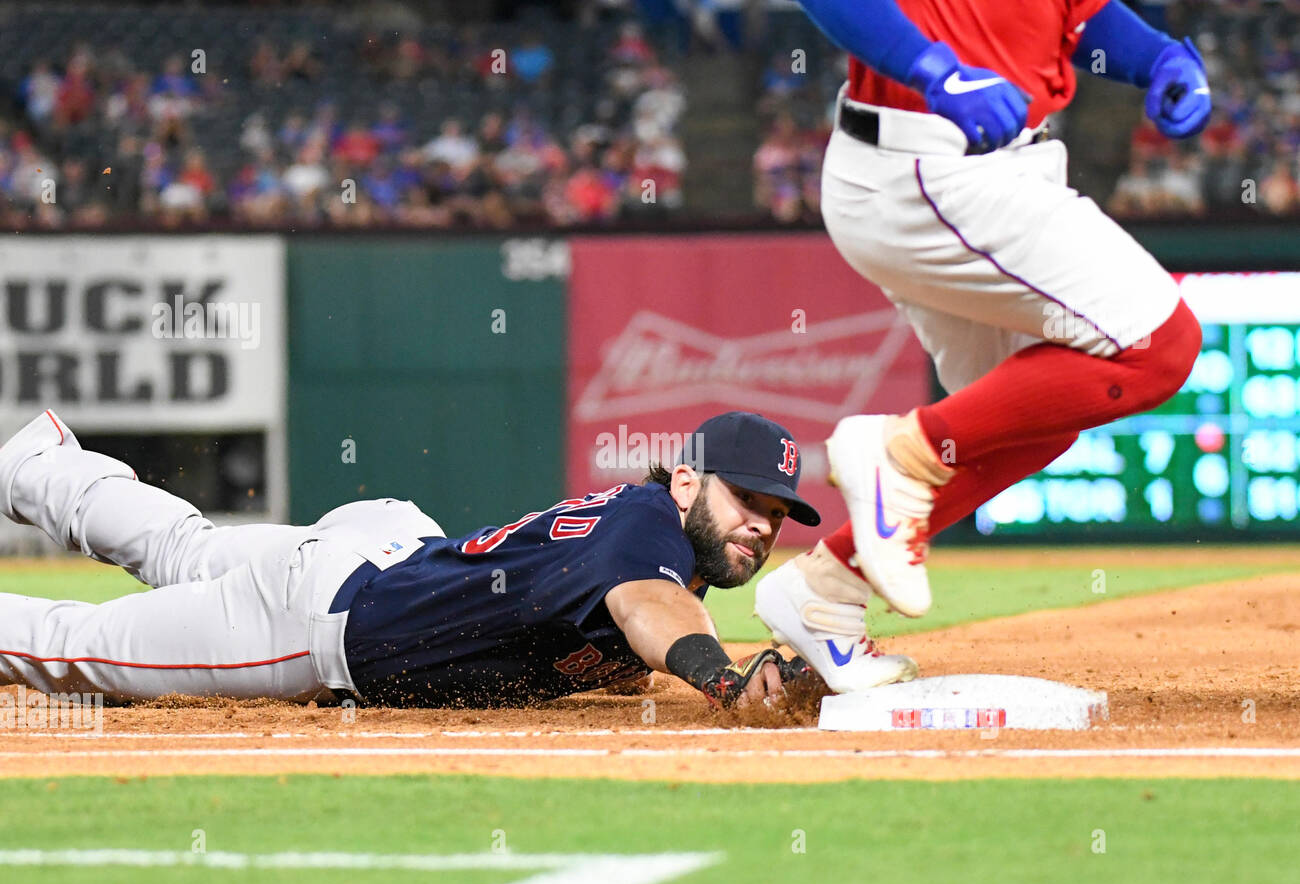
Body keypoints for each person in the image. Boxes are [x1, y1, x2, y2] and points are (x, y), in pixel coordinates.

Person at [755, 1, 1209, 682]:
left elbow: (1078, 13)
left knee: (1030, 417)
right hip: (923, 161)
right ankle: (898, 455)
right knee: (1162, 344)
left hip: (1001, 161)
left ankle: (827, 587)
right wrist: (933, 67)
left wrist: (1155, 57)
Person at [0, 409, 898, 712]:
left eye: (779, 515)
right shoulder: (647, 538)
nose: (763, 526)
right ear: (690, 480)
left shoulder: (661, 541)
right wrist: (726, 683)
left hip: (384, 547)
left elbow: (627, 625)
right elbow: (646, 610)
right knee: (75, 651)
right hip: (322, 623)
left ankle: (34, 465)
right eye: (749, 502)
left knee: (184, 544)